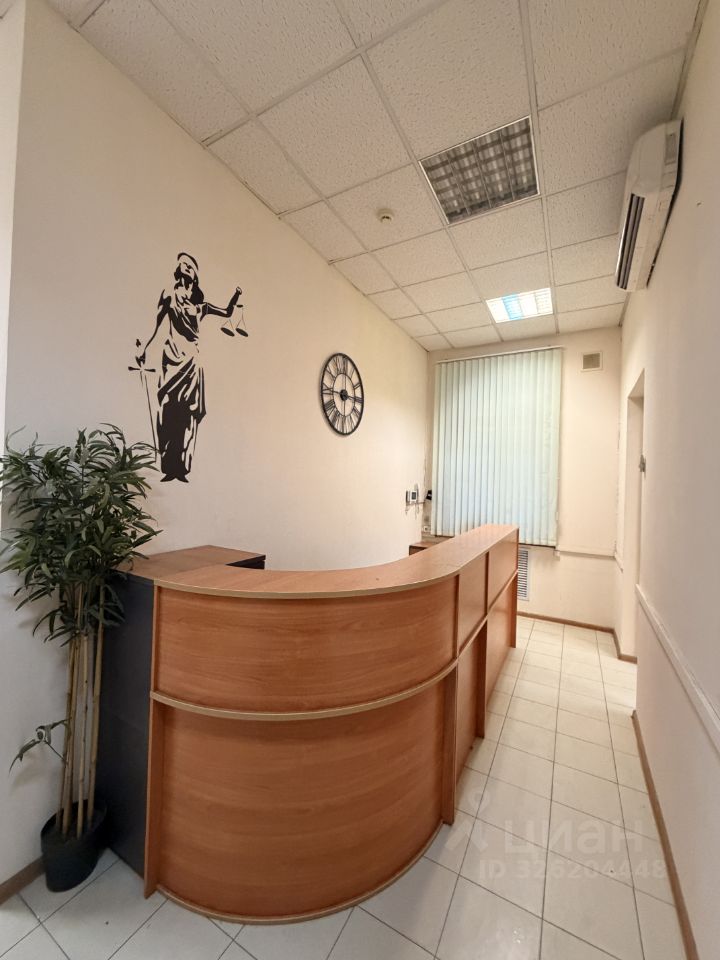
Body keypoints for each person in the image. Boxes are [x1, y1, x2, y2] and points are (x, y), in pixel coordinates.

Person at [135, 253, 243, 482]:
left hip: (192, 361)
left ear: (194, 276)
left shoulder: (200, 307)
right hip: (171, 358)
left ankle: (181, 467)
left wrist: (236, 296)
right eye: (181, 264)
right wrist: (144, 348)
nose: (184, 266)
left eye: (189, 265)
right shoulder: (169, 297)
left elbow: (226, 312)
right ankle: (167, 465)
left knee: (187, 413)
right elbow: (156, 325)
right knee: (167, 407)